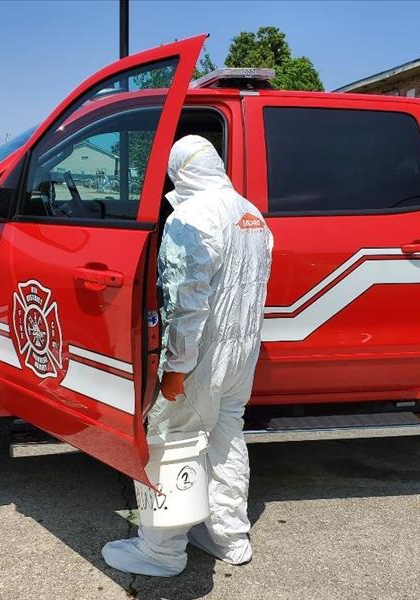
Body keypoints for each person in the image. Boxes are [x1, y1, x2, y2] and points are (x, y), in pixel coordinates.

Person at [102, 135, 274, 576]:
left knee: (171, 442)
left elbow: (185, 303)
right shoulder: (251, 214)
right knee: (226, 440)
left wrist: (176, 368)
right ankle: (229, 538)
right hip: (242, 356)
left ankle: (161, 551)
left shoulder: (189, 218)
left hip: (202, 358)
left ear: (180, 172)